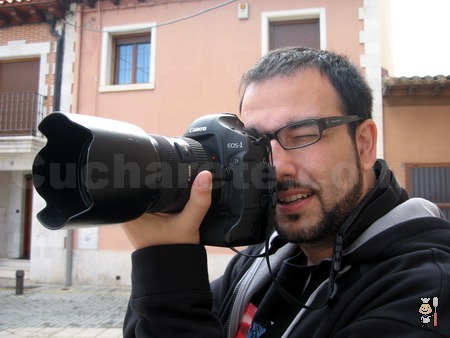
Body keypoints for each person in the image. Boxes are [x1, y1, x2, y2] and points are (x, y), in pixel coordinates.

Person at [121, 47, 450, 337]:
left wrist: (166, 264)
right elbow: (165, 319)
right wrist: (161, 264)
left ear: (363, 143)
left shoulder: (426, 288)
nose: (276, 167)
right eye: (257, 144)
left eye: (302, 134)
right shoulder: (262, 259)